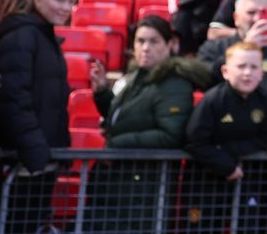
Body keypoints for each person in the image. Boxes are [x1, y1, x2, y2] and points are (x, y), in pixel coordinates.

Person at [85, 16, 211, 232]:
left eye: (154, 41)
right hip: (119, 183)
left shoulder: (174, 83)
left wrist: (116, 144)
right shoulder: (135, 76)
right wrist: (103, 93)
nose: (145, 48)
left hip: (144, 188)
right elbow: (124, 120)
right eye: (140, 41)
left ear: (170, 45)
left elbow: (171, 136)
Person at [0, 0, 78, 233]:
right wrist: (35, 150)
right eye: (60, 0)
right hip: (27, 159)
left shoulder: (41, 36)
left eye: (71, 2)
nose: (67, 8)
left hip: (39, 157)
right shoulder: (23, 36)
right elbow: (13, 97)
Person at [184, 42, 267, 233]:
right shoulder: (213, 100)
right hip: (206, 185)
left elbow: (266, 137)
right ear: (225, 71)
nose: (248, 73)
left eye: (254, 67)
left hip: (249, 184)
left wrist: (235, 150)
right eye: (241, 66)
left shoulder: (266, 100)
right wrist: (226, 164)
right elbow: (194, 141)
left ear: (262, 73)